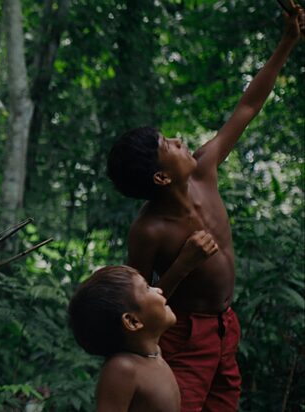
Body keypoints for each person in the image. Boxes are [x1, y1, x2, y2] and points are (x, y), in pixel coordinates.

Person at [105, 7, 303, 410]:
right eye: (169, 145)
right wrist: (184, 263)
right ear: (161, 177)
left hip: (225, 327)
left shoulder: (205, 168)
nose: (180, 140)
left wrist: (288, 41)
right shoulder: (149, 231)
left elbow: (247, 107)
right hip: (184, 337)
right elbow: (139, 309)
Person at [68, 266, 180, 412]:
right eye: (147, 288)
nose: (158, 290)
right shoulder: (122, 369)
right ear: (133, 321)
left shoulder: (154, 354)